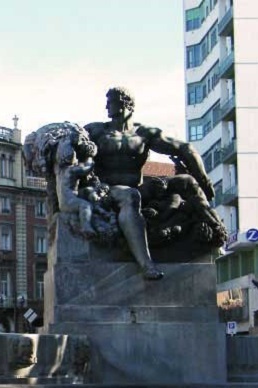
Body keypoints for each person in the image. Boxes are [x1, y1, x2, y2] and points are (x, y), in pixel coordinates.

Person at [85, 87, 216, 280]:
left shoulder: (144, 134)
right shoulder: (96, 131)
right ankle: (146, 264)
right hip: (107, 190)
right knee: (130, 195)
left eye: (110, 101)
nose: (106, 106)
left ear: (126, 104)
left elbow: (185, 148)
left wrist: (204, 180)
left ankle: (215, 236)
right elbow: (68, 144)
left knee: (187, 182)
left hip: (137, 188)